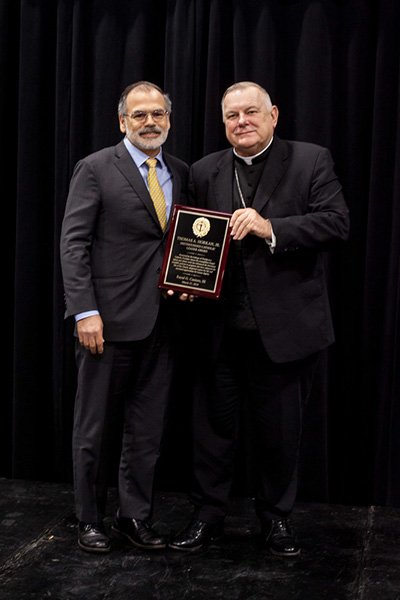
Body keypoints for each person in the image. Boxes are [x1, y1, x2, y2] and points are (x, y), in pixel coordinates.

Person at [169, 81, 350, 556]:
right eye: (232, 116)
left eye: (251, 112)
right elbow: (190, 240)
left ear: (273, 115)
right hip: (217, 331)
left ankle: (276, 520)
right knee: (211, 433)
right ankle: (207, 516)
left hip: (285, 331)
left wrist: (274, 229)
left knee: (280, 434)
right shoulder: (205, 169)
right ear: (223, 122)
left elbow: (337, 223)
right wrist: (185, 280)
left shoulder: (311, 159)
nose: (242, 122)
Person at [60, 81, 188, 553]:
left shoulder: (180, 170)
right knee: (94, 429)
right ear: (122, 122)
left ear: (169, 120)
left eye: (158, 114)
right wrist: (84, 311)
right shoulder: (95, 168)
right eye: (140, 115)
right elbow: (73, 244)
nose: (150, 122)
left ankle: (134, 517)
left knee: (147, 430)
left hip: (166, 325)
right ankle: (88, 519)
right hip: (106, 325)